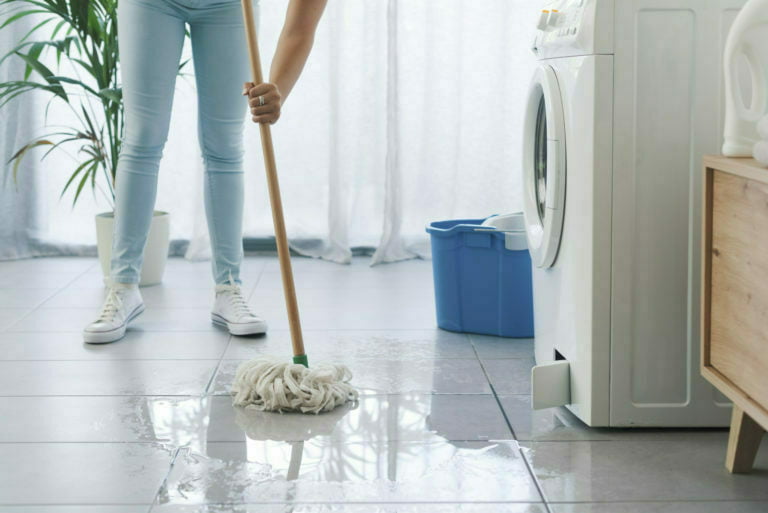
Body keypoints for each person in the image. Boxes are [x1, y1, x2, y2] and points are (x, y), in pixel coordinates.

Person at [82, 0, 328, 343]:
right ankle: (123, 286)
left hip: (228, 6)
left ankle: (228, 289)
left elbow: (301, 26)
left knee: (224, 145)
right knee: (143, 138)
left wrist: (278, 92)